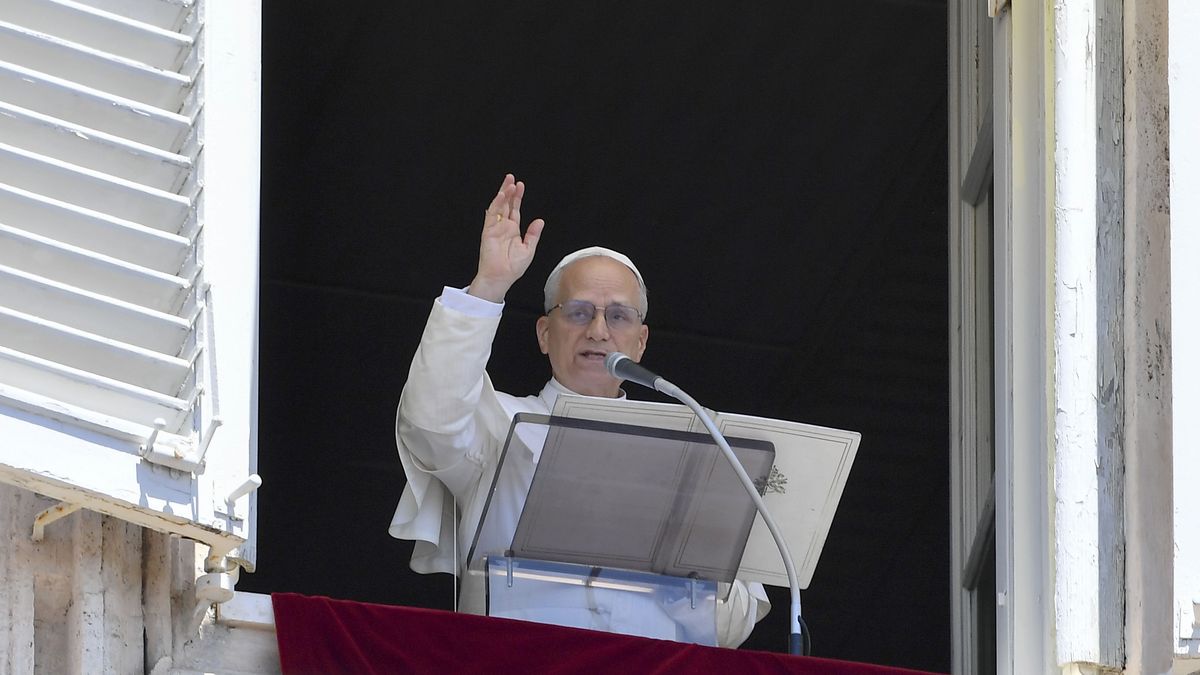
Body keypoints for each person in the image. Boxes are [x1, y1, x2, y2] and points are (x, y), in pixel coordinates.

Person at [388, 174, 769, 646]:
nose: (598, 331)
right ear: (545, 334)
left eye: (618, 316)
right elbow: (430, 420)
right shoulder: (498, 428)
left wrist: (679, 573)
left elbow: (731, 628)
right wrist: (488, 285)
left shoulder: (696, 453)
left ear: (641, 341)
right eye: (579, 312)